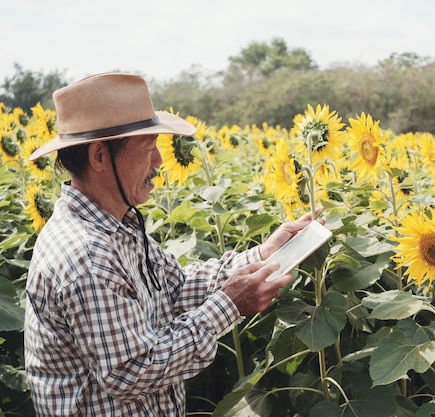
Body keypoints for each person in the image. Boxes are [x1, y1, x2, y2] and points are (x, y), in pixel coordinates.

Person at [24, 72, 315, 416]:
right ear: (99, 156)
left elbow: (175, 288)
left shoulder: (117, 225)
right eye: (148, 148)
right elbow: (131, 372)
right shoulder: (85, 254)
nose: (159, 160)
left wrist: (264, 253)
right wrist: (230, 305)